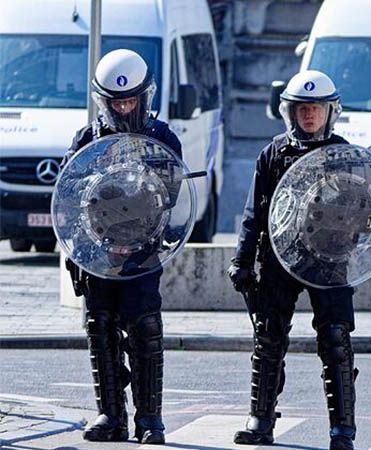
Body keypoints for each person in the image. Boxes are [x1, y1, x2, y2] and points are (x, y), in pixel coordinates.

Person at [227, 70, 358, 450]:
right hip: (279, 259)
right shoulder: (272, 153)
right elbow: (255, 212)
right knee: (268, 338)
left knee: (336, 340)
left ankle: (342, 429)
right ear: (291, 112)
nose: (309, 116)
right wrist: (242, 259)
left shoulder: (344, 155)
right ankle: (261, 421)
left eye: (316, 108)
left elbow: (363, 211)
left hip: (329, 262)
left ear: (329, 111)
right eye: (303, 109)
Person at [63, 49, 182, 445]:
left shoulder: (162, 138)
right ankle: (110, 415)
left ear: (143, 97)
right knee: (100, 328)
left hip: (142, 252)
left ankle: (150, 419)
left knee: (144, 328)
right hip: (97, 254)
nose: (123, 107)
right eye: (116, 101)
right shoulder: (87, 139)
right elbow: (67, 192)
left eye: (130, 99)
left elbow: (169, 194)